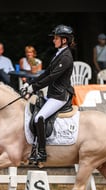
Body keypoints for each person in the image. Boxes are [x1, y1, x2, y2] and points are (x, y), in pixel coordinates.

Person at [21, 24, 75, 163]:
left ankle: (42, 152)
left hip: (60, 95)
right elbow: (46, 73)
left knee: (40, 117)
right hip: (53, 93)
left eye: (56, 38)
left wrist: (34, 88)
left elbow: (53, 77)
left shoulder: (66, 57)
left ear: (64, 40)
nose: (53, 40)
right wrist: (31, 83)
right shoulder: (59, 54)